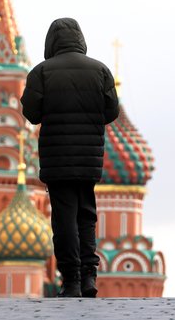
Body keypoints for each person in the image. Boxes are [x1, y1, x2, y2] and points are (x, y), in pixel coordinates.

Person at [20, 18, 119, 298]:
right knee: (86, 215)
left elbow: (31, 113)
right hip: (89, 157)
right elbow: (111, 112)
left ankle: (71, 279)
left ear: (51, 42)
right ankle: (90, 276)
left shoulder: (41, 72)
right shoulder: (100, 70)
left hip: (57, 158)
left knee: (63, 218)